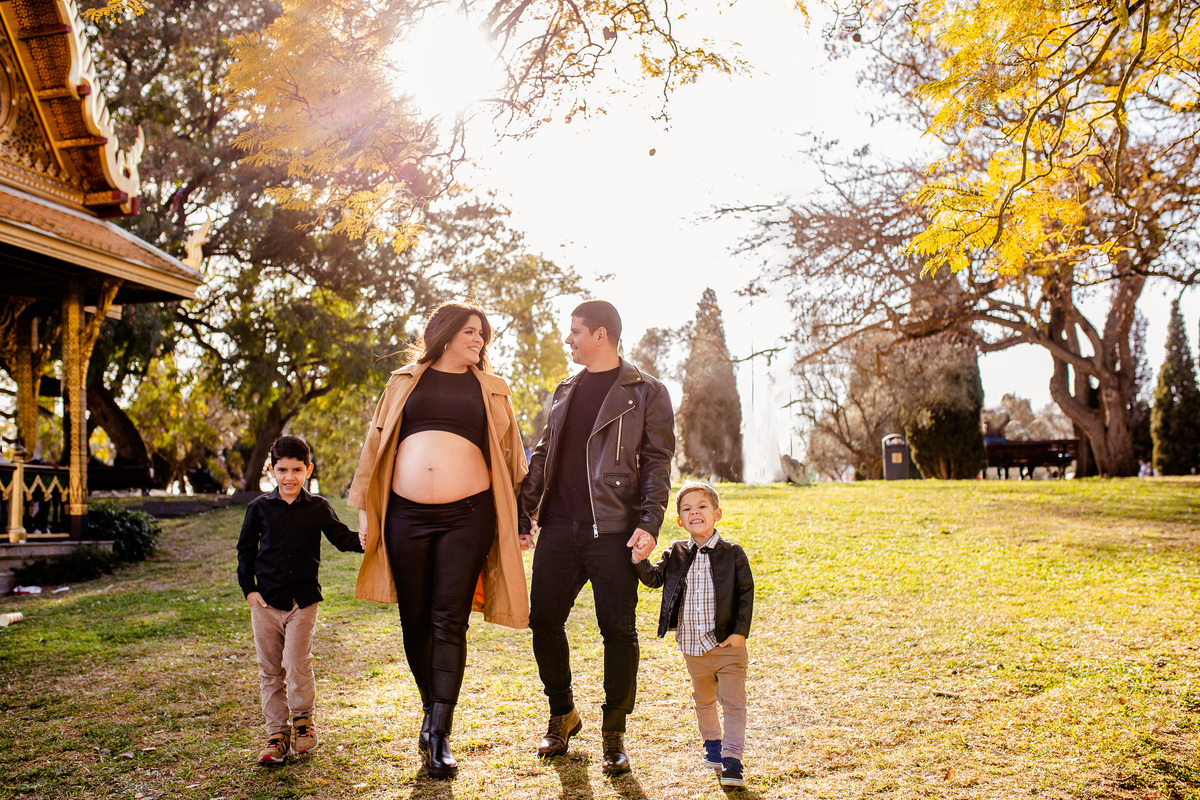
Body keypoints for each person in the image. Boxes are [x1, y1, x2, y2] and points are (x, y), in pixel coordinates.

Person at [348, 302, 529, 779]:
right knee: (415, 620)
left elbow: (513, 457)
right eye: (470, 331)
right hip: (404, 516)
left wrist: (523, 517)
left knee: (449, 620)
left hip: (468, 516)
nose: (479, 340)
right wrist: (366, 512)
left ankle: (440, 733)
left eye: (482, 334)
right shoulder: (403, 381)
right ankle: (432, 712)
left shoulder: (492, 388)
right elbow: (375, 445)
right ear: (446, 334)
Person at [519, 300, 675, 774]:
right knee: (543, 620)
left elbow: (657, 462)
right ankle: (563, 712)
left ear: (601, 334)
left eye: (575, 331)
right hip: (558, 527)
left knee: (618, 631)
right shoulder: (566, 389)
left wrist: (649, 523)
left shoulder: (647, 391)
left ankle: (614, 734)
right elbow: (544, 453)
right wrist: (524, 511)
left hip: (614, 530)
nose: (568, 339)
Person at [236, 435, 364, 765]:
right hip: (265, 603)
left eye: (296, 470)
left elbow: (342, 539)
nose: (289, 477)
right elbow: (246, 551)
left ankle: (304, 722)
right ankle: (277, 735)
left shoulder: (318, 507)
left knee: (297, 663)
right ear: (271, 470)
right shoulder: (259, 508)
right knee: (270, 670)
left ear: (308, 470)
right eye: (282, 470)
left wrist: (366, 539)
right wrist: (249, 591)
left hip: (303, 602)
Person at [632, 481, 754, 788]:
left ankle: (732, 760)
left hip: (726, 644)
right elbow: (654, 579)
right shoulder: (676, 552)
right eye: (687, 509)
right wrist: (640, 559)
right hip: (692, 646)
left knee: (734, 703)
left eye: (702, 506)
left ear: (717, 514)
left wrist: (740, 633)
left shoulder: (733, 553)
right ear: (679, 520)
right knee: (704, 699)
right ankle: (713, 746)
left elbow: (745, 593)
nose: (694, 512)